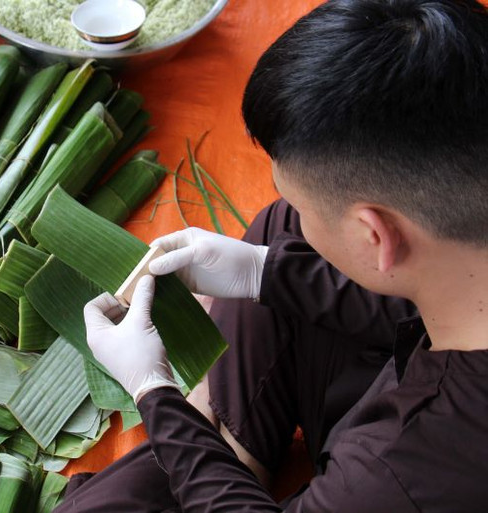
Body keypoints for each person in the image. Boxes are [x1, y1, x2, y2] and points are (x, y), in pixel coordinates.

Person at [54, 0, 488, 511]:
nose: (293, 209)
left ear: (376, 236)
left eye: (304, 203)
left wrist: (154, 391)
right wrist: (262, 271)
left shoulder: (402, 465)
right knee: (282, 235)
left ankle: (221, 465)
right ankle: (224, 456)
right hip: (407, 354)